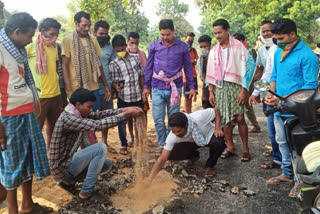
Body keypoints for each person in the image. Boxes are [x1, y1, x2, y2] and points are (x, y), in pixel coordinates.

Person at [49, 88, 143, 200]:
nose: (91, 109)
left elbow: (101, 115)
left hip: (66, 163)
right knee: (100, 148)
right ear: (78, 105)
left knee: (106, 164)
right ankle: (86, 192)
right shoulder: (69, 119)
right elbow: (98, 125)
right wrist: (126, 114)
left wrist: (124, 110)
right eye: (89, 107)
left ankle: (68, 182)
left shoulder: (76, 112)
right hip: (61, 169)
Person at [0, 13, 52, 214]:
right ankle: (13, 210)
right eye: (29, 35)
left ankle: (27, 205)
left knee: (28, 160)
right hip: (8, 116)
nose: (31, 40)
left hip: (26, 111)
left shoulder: (17, 51)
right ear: (16, 32)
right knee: (12, 166)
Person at [264, 18, 318, 197]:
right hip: (280, 108)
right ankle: (287, 174)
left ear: (292, 35)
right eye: (275, 38)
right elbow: (274, 75)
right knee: (282, 143)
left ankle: (300, 182)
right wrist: (271, 93)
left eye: (280, 38)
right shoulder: (280, 52)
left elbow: (310, 87)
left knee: (298, 147)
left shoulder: (307, 56)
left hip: (298, 111)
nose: (277, 42)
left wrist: (284, 99)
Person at [143, 19, 196, 150]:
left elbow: (188, 68)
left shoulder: (183, 46)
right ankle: (162, 145)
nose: (165, 37)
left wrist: (192, 86)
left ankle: (170, 145)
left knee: (173, 120)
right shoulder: (154, 46)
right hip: (157, 87)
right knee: (158, 120)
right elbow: (149, 67)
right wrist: (146, 86)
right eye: (162, 35)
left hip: (175, 87)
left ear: (173, 31)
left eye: (168, 34)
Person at [206, 19, 254, 162]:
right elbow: (210, 71)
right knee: (224, 120)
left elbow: (249, 66)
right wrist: (211, 91)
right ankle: (230, 147)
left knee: (239, 118)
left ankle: (245, 149)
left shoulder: (238, 47)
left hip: (235, 86)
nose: (218, 36)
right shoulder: (214, 50)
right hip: (220, 88)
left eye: (220, 32)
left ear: (227, 30)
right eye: (215, 33)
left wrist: (244, 90)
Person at [148, 108, 225, 180]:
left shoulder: (199, 117)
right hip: (192, 142)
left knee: (219, 142)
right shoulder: (173, 136)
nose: (176, 134)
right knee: (168, 154)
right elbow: (162, 159)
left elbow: (216, 110)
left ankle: (210, 166)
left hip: (208, 135)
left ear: (186, 125)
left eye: (178, 131)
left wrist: (217, 128)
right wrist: (150, 179)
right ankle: (193, 156)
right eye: (173, 131)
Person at [61, 11, 111, 111]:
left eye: (89, 25)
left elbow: (98, 64)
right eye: (84, 25)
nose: (87, 28)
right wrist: (69, 89)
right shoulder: (67, 39)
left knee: (94, 114)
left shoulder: (93, 39)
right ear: (76, 23)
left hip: (94, 86)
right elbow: (65, 65)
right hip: (77, 88)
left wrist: (105, 85)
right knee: (80, 119)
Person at [27, 18, 63, 149]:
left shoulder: (54, 47)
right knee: (37, 128)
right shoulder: (30, 46)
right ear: (43, 31)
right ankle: (35, 159)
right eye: (52, 34)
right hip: (39, 95)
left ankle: (51, 153)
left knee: (54, 127)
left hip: (55, 93)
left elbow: (56, 66)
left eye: (56, 34)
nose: (54, 37)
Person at [109, 35, 145, 155]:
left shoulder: (136, 58)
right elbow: (116, 81)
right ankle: (123, 144)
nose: (121, 52)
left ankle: (140, 142)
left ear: (126, 46)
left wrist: (144, 90)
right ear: (114, 50)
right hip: (123, 97)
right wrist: (117, 87)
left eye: (122, 49)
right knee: (122, 122)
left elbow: (141, 76)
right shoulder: (114, 63)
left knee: (139, 120)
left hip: (137, 96)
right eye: (118, 51)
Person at [92, 20, 116, 153]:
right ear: (94, 32)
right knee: (92, 116)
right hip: (92, 88)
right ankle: (93, 144)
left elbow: (113, 66)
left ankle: (104, 141)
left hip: (106, 89)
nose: (103, 36)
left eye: (106, 34)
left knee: (106, 116)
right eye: (101, 33)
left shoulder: (109, 48)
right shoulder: (88, 46)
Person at [232, 32, 260, 134]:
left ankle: (232, 126)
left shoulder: (249, 51)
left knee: (244, 103)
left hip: (248, 81)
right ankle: (255, 125)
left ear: (241, 41)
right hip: (239, 80)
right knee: (245, 104)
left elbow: (254, 67)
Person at [126, 32, 149, 146]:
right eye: (132, 43)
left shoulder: (142, 54)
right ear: (127, 42)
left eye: (136, 43)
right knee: (129, 116)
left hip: (141, 89)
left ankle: (143, 136)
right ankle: (132, 137)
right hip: (128, 92)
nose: (134, 46)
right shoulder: (123, 54)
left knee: (143, 113)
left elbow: (145, 72)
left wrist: (145, 89)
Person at [196, 34, 213, 109]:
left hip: (216, 84)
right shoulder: (201, 58)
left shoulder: (215, 56)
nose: (203, 49)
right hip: (206, 83)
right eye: (201, 47)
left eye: (205, 46)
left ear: (210, 45)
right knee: (205, 101)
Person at [183, 32, 198, 113]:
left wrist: (192, 62)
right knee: (186, 96)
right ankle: (187, 113)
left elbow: (197, 60)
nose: (190, 42)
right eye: (189, 40)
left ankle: (190, 112)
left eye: (191, 41)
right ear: (185, 39)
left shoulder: (193, 50)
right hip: (185, 77)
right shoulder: (182, 50)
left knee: (191, 95)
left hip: (194, 75)